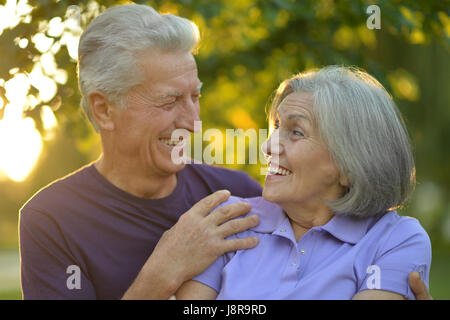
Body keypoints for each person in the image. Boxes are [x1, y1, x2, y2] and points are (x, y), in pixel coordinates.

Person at [19, 4, 431, 300]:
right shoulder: (51, 220)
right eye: (169, 101)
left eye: (195, 96)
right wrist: (162, 272)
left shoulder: (236, 197)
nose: (190, 119)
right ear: (104, 110)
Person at [176, 66, 432, 300]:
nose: (268, 146)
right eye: (276, 127)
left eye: (296, 132)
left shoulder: (395, 240)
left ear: (350, 164)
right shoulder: (229, 218)